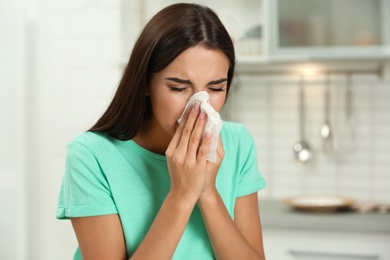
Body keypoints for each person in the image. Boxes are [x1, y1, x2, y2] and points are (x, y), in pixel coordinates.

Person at [56, 3, 266, 260]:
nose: (200, 106)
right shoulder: (91, 155)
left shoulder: (238, 143)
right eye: (179, 88)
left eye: (215, 88)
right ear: (145, 83)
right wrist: (181, 194)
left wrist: (208, 191)